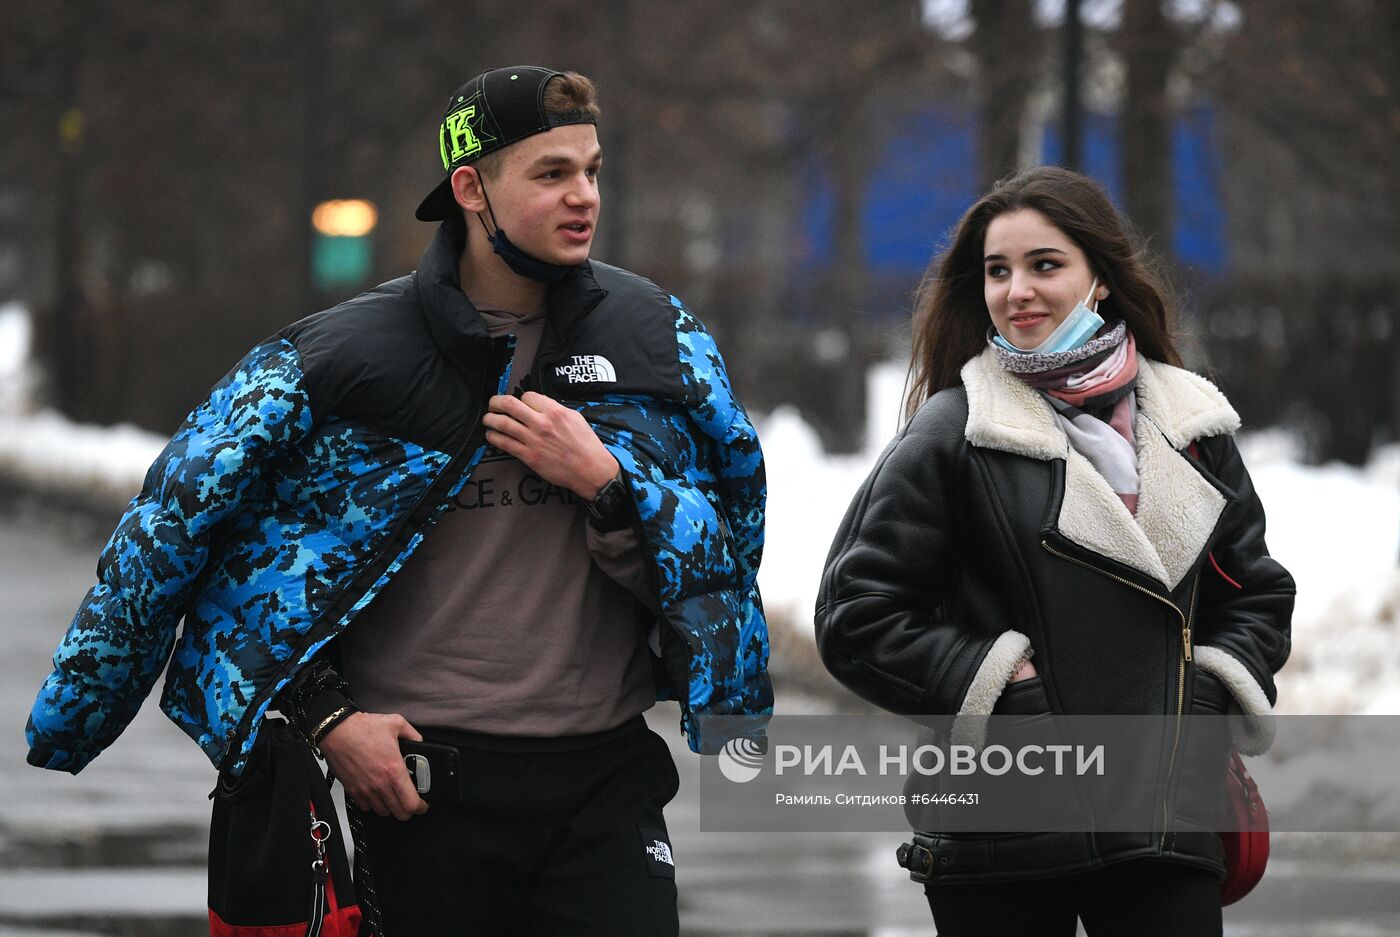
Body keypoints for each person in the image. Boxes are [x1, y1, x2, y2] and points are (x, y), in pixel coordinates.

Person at [26, 65, 771, 936]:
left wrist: (610, 485)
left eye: (593, 170)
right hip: (420, 793)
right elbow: (195, 545)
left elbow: (732, 536)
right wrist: (327, 717)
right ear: (471, 188)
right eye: (551, 173)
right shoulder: (341, 361)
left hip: (607, 786)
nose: (585, 197)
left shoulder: (657, 338)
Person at [815, 166, 1292, 936]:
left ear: (1099, 277)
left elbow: (1256, 592)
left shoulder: (1190, 424)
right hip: (1003, 830)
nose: (1017, 291)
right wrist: (1003, 689)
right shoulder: (953, 430)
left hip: (1162, 821)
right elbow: (856, 616)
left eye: (1045, 265)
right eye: (998, 271)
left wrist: (1203, 695)